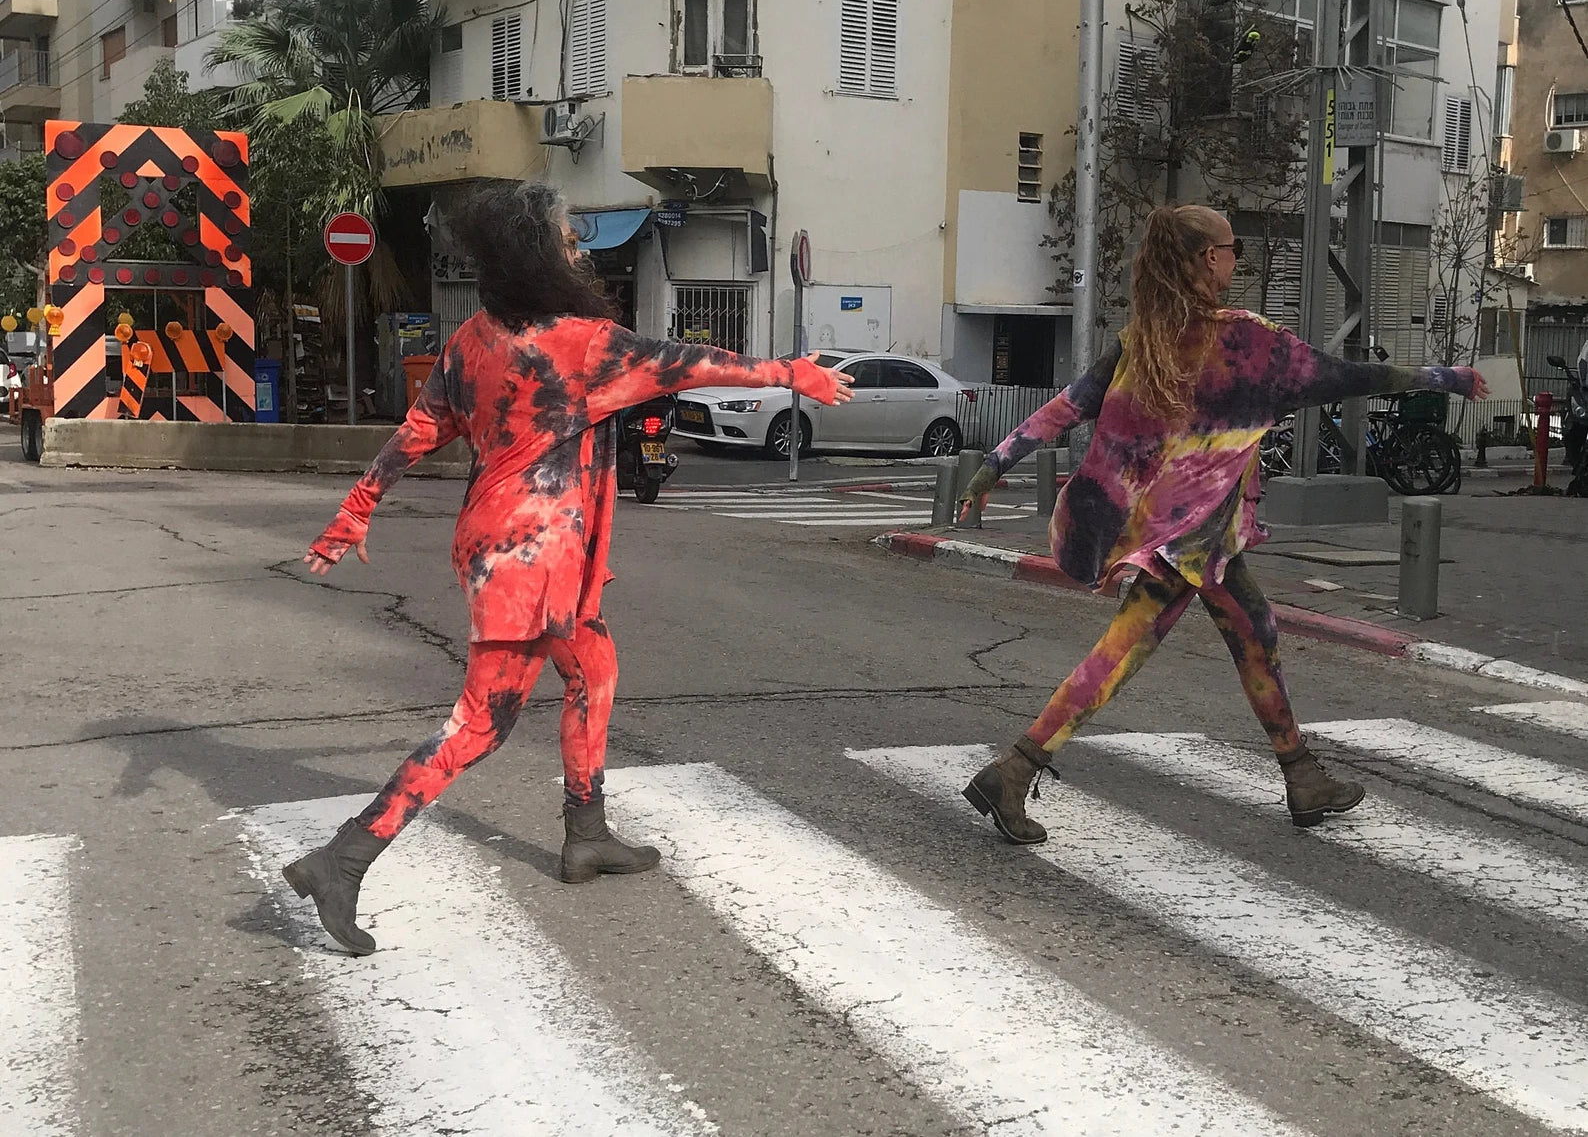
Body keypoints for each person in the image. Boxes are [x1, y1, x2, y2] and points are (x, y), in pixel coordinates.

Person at [283, 181, 854, 955]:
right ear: (539, 254)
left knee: (595, 667)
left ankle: (586, 832)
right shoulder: (581, 343)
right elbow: (687, 363)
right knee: (481, 722)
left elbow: (417, 431)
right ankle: (343, 859)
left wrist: (356, 509)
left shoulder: (474, 340)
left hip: (499, 541)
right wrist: (792, 372)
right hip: (533, 551)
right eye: (568, 237)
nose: (579, 248)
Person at [958, 204, 1488, 844]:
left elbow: (1066, 408)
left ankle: (1301, 774)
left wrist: (994, 463)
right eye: (1234, 247)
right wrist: (1444, 377)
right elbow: (1346, 375)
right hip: (1190, 541)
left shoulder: (1144, 341)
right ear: (1211, 258)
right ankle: (1016, 769)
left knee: (1254, 629)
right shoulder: (1246, 341)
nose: (1238, 257)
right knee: (1126, 650)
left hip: (1183, 533)